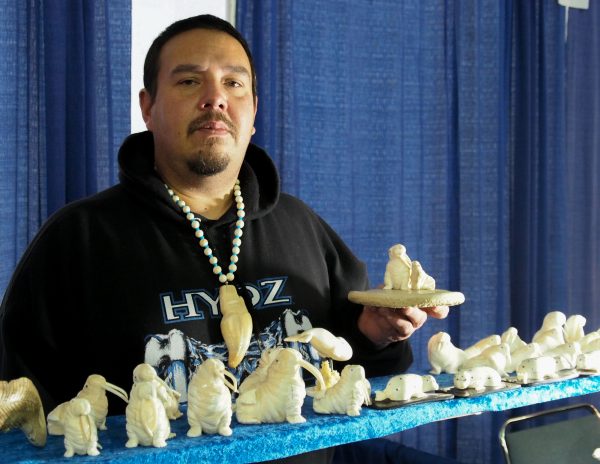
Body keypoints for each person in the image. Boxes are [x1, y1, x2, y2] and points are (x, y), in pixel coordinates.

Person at [0, 14, 449, 463]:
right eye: (190, 82)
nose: (215, 99)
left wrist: (378, 335)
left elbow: (359, 385)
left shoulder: (301, 226)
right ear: (148, 108)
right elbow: (23, 416)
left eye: (234, 84)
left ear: (253, 111)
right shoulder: (78, 239)